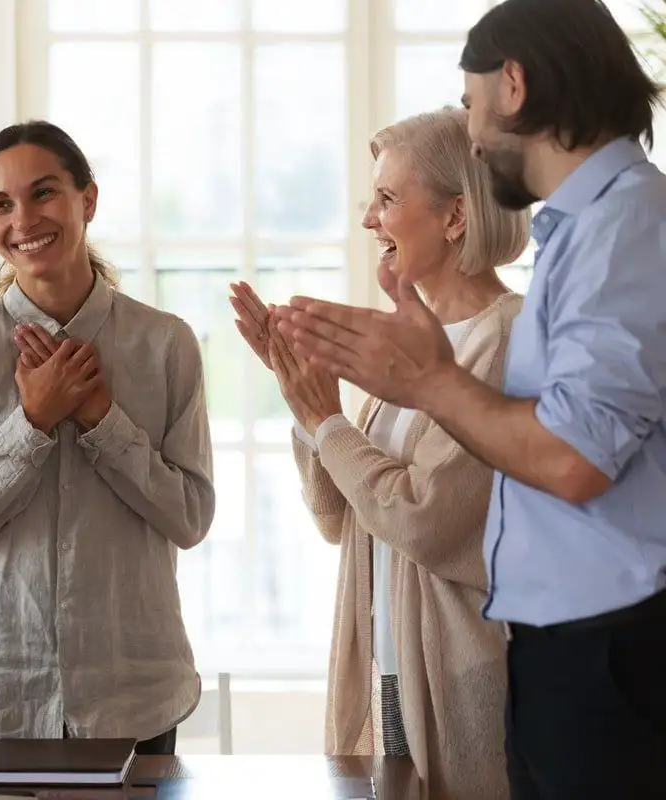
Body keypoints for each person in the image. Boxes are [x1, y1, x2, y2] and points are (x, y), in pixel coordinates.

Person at [272, 1, 666, 797]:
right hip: (566, 654)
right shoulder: (584, 228)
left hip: (606, 657)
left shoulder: (625, 225)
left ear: (512, 84)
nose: (472, 131)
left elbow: (574, 458)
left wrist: (421, 382)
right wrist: (327, 397)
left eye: (468, 100)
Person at [233, 107, 529, 798]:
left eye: (388, 199)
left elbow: (425, 519)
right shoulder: (409, 343)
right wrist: (306, 401)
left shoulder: (505, 340)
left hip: (461, 679)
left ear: (456, 216)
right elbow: (341, 515)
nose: (370, 219)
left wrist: (325, 418)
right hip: (387, 670)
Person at [0, 120, 215, 756]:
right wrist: (29, 424)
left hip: (132, 696)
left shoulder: (166, 345)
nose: (23, 218)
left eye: (44, 192)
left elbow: (189, 517)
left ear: (88, 200)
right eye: (0, 204)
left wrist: (104, 421)